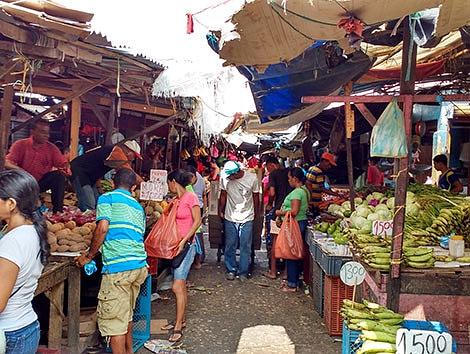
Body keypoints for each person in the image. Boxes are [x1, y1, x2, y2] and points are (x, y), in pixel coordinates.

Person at [75, 169, 147, 354]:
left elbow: (103, 227)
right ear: (133, 188)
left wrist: (89, 256)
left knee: (115, 323)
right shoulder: (138, 207)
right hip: (138, 266)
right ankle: (129, 351)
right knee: (126, 315)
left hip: (119, 269)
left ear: (113, 183)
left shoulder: (107, 198)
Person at [0, 170, 49, 354]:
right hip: (26, 326)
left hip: (9, 333)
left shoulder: (13, 242)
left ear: (11, 204)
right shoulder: (33, 231)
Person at [159, 170, 201, 343]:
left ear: (173, 182)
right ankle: (181, 320)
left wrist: (184, 241)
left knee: (177, 286)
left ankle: (177, 326)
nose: (168, 186)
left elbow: (197, 221)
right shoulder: (176, 200)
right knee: (180, 284)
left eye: (168, 183)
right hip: (176, 247)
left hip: (187, 246)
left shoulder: (191, 197)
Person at [5, 120, 67, 213]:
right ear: (33, 131)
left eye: (48, 133)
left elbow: (63, 164)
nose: (47, 136)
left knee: (59, 176)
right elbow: (6, 163)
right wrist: (21, 171)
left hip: (39, 183)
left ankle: (58, 212)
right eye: (43, 132)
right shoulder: (20, 144)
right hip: (23, 183)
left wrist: (67, 167)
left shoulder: (52, 148)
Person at [70, 140, 143, 211]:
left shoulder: (113, 153)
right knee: (89, 203)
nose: (133, 159)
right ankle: (85, 220)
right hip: (79, 172)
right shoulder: (117, 152)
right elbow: (129, 173)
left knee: (97, 202)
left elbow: (97, 167)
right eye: (134, 156)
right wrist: (145, 184)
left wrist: (99, 188)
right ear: (129, 152)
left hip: (89, 176)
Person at [219, 161, 260, 281]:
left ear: (236, 173)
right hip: (230, 216)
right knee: (230, 244)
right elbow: (223, 195)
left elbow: (256, 197)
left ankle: (243, 271)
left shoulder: (252, 178)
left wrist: (256, 213)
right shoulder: (225, 179)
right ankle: (231, 269)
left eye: (230, 176)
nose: (228, 178)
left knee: (245, 245)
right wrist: (220, 210)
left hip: (247, 216)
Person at [275, 167, 310, 292]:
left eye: (290, 178)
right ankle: (294, 280)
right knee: (295, 252)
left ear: (295, 179)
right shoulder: (305, 191)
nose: (289, 181)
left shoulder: (297, 193)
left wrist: (280, 212)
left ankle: (292, 284)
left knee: (291, 253)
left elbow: (294, 211)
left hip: (295, 224)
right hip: (300, 222)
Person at [264, 156, 293, 279]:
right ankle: (286, 272)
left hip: (278, 212)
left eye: (267, 167)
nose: (267, 170)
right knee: (288, 241)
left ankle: (273, 271)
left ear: (271, 164)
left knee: (274, 241)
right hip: (290, 211)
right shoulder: (290, 173)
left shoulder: (273, 174)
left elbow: (272, 193)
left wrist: (270, 204)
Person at [186, 165, 206, 268]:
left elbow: (204, 195)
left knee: (196, 235)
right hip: (195, 209)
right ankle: (197, 259)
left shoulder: (198, 181)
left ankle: (198, 259)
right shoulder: (189, 184)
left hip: (196, 209)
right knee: (195, 235)